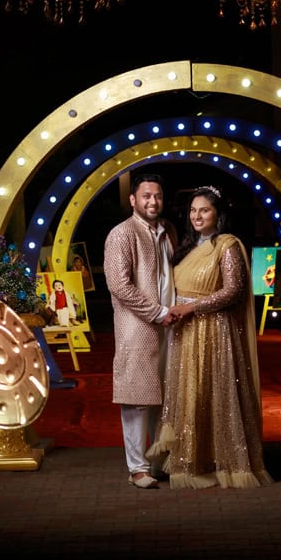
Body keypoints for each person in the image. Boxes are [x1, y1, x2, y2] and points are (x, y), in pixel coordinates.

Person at [148, 186, 272, 489]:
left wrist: (191, 307)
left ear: (218, 214)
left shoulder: (227, 245)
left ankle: (227, 461)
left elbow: (233, 291)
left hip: (215, 331)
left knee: (216, 395)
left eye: (204, 210)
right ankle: (193, 459)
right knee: (192, 394)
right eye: (193, 210)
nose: (197, 216)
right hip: (186, 331)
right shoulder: (187, 247)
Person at [104, 171, 178, 489]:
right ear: (133, 200)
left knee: (165, 396)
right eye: (146, 195)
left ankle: (160, 462)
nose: (153, 201)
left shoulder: (168, 231)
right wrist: (156, 312)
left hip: (172, 326)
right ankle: (137, 467)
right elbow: (119, 284)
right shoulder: (121, 234)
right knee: (136, 399)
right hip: (138, 327)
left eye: (157, 195)